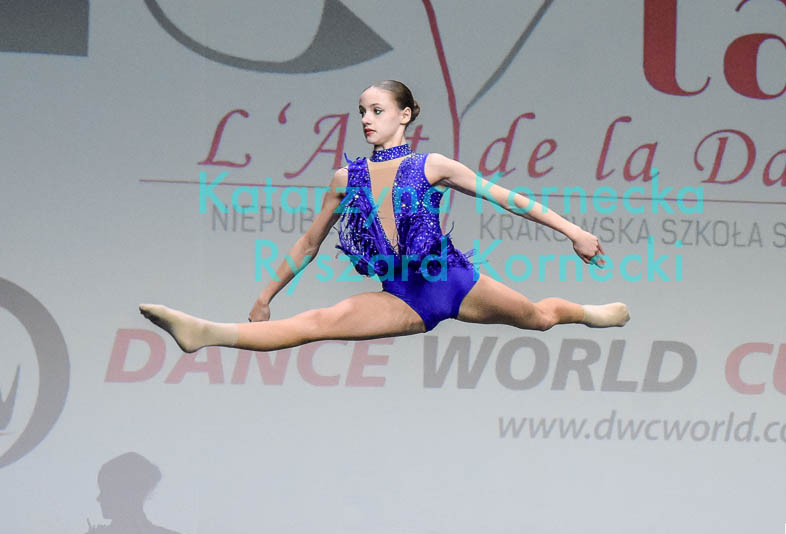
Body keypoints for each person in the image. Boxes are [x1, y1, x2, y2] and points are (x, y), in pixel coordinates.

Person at [139, 80, 628, 353]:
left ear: (404, 115)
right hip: (402, 295)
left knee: (540, 318)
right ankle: (206, 333)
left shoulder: (431, 165)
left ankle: (591, 314)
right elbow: (309, 243)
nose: (366, 119)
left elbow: (507, 199)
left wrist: (575, 232)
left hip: (453, 280)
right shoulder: (346, 178)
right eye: (361, 112)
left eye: (376, 110)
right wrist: (265, 296)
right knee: (317, 322)